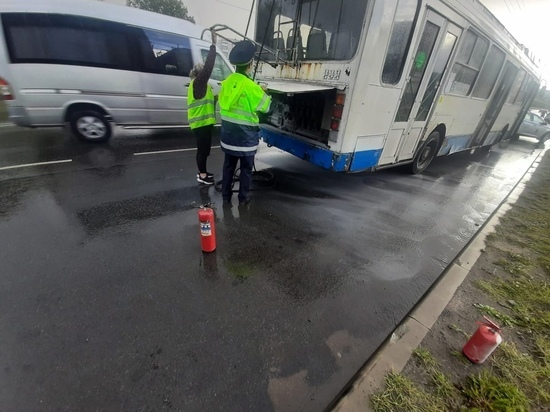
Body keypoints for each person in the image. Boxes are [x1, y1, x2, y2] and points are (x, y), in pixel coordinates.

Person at [218, 40, 271, 204]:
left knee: (228, 167)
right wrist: (264, 93)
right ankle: (243, 198)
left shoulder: (226, 83)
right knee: (246, 170)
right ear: (251, 64)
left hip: (228, 136)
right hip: (246, 139)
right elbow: (267, 108)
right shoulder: (252, 87)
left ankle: (225, 196)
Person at [188, 31, 218, 185]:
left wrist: (218, 97)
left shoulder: (201, 86)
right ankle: (202, 175)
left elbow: (208, 101)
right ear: (200, 75)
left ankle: (203, 172)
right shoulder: (199, 83)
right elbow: (209, 66)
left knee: (205, 150)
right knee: (202, 151)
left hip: (203, 125)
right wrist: (213, 45)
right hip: (200, 124)